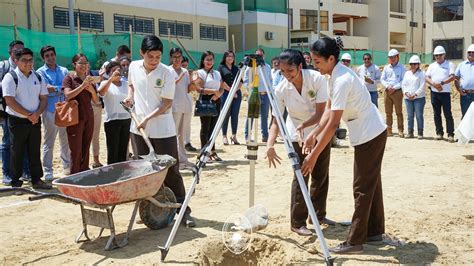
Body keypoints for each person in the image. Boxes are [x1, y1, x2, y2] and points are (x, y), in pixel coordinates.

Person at [303, 37, 387, 254]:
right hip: (366, 132)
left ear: (331, 59)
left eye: (317, 61)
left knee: (362, 187)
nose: (314, 65)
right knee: (371, 183)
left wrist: (313, 156)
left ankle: (355, 241)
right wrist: (313, 132)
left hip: (370, 133)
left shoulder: (341, 80)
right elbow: (329, 112)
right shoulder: (333, 76)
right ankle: (375, 232)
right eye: (312, 61)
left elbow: (332, 124)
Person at [123, 35, 195, 227]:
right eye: (150, 57)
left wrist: (147, 118)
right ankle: (149, 208)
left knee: (171, 170)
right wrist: (130, 97)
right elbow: (131, 85)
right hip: (138, 129)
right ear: (142, 53)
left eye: (158, 57)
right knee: (144, 170)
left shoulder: (166, 73)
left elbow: (167, 103)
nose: (154, 61)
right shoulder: (133, 67)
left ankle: (183, 210)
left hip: (163, 130)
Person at [265, 49, 334, 236]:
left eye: (291, 71)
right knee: (301, 175)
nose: (287, 76)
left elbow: (321, 113)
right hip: (297, 134)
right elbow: (276, 120)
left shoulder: (317, 79)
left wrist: (312, 131)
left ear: (300, 66)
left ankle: (318, 214)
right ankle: (297, 221)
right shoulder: (280, 89)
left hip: (319, 129)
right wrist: (270, 144)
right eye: (282, 72)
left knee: (321, 173)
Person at [1, 48, 52, 190]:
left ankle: (37, 179)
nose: (28, 63)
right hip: (17, 121)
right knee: (16, 151)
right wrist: (29, 114)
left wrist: (37, 114)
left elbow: (43, 98)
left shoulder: (37, 77)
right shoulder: (10, 77)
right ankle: (16, 182)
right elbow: (9, 101)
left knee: (34, 150)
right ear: (16, 61)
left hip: (35, 120)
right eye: (24, 60)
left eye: (30, 60)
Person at [36, 45, 71, 180]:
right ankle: (48, 171)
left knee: (65, 141)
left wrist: (55, 89)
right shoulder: (40, 72)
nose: (50, 57)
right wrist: (61, 88)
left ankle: (67, 168)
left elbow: (64, 87)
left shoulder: (64, 70)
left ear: (55, 55)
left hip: (64, 110)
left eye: (52, 54)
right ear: (43, 58)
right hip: (50, 110)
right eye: (47, 56)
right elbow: (45, 89)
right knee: (49, 142)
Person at [0, 40, 31, 185]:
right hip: (6, 112)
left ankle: (25, 171)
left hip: (25, 112)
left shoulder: (28, 67)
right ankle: (7, 173)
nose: (19, 53)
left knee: (23, 142)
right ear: (10, 53)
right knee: (8, 142)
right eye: (16, 51)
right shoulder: (3, 67)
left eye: (22, 50)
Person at [63, 54, 99, 174]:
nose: (84, 66)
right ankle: (74, 174)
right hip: (75, 118)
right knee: (76, 148)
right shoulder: (69, 78)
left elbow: (96, 100)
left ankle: (84, 172)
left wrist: (91, 90)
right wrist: (82, 86)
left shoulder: (89, 79)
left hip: (88, 116)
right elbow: (68, 95)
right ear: (74, 65)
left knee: (86, 146)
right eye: (81, 63)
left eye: (86, 63)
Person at [193, 51, 224, 162]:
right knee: (205, 127)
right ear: (203, 61)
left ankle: (212, 151)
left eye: (211, 59)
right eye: (207, 59)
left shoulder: (217, 73)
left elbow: (221, 86)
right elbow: (198, 88)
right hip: (206, 100)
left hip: (216, 100)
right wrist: (213, 91)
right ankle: (204, 152)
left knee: (214, 128)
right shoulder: (199, 72)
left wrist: (218, 94)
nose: (209, 61)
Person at [98, 61, 131, 164]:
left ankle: (122, 172)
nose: (117, 72)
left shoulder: (126, 83)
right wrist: (111, 78)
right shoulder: (105, 83)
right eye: (113, 70)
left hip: (126, 119)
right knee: (113, 150)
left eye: (118, 69)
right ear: (108, 73)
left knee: (123, 148)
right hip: (112, 121)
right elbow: (101, 92)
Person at [169, 47, 194, 169]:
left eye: (179, 57)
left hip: (185, 105)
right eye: (175, 57)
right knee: (173, 134)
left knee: (182, 135)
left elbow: (188, 89)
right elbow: (169, 87)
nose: (177, 59)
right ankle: (174, 160)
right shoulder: (168, 71)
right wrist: (179, 78)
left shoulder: (185, 71)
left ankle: (183, 159)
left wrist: (193, 81)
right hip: (174, 106)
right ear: (171, 58)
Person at [425, 45, 456, 142]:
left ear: (444, 55)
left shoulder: (449, 64)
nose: (438, 57)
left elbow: (452, 77)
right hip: (434, 93)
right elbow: (426, 77)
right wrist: (434, 84)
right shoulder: (431, 66)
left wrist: (442, 83)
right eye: (436, 55)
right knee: (436, 114)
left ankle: (450, 134)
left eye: (440, 55)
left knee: (447, 114)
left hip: (445, 93)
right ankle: (439, 133)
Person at [243, 48, 273, 142]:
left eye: (260, 55)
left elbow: (270, 80)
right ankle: (247, 136)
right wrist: (252, 89)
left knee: (265, 116)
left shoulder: (267, 67)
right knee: (251, 115)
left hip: (265, 94)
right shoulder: (250, 67)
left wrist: (270, 91)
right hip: (255, 94)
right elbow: (246, 80)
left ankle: (265, 135)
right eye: (257, 55)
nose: (259, 57)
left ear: (264, 56)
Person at [218, 50, 242, 145]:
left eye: (232, 56)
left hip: (236, 94)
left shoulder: (236, 68)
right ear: (225, 58)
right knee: (225, 114)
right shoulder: (221, 67)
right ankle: (224, 136)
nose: (230, 58)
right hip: (225, 94)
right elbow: (221, 82)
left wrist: (235, 91)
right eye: (228, 56)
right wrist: (231, 91)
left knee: (235, 115)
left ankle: (234, 135)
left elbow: (241, 81)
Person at [381, 49, 406, 137]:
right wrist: (388, 87)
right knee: (388, 112)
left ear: (397, 57)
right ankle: (389, 130)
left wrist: (394, 88)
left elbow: (403, 80)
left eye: (393, 57)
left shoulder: (402, 68)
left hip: (397, 92)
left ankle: (400, 130)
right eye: (390, 57)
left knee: (399, 112)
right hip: (387, 91)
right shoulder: (386, 67)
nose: (392, 59)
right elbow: (382, 79)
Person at [402, 55, 426, 139]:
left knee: (419, 115)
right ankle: (410, 132)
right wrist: (407, 93)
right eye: (411, 64)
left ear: (418, 64)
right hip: (408, 98)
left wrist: (415, 94)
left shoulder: (422, 73)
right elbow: (403, 84)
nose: (412, 65)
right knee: (410, 116)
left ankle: (420, 132)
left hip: (419, 98)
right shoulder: (407, 73)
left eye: (414, 64)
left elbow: (422, 86)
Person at [181, 56, 198, 152]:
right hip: (176, 103)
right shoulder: (173, 72)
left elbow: (192, 88)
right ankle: (178, 143)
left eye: (186, 65)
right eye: (183, 65)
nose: (185, 67)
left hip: (187, 101)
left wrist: (191, 77)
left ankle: (187, 142)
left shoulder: (189, 74)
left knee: (187, 124)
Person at [454, 44, 474, 118]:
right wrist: (459, 90)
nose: (471, 54)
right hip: (465, 95)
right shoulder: (461, 65)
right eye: (469, 52)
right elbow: (456, 78)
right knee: (465, 116)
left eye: (473, 52)